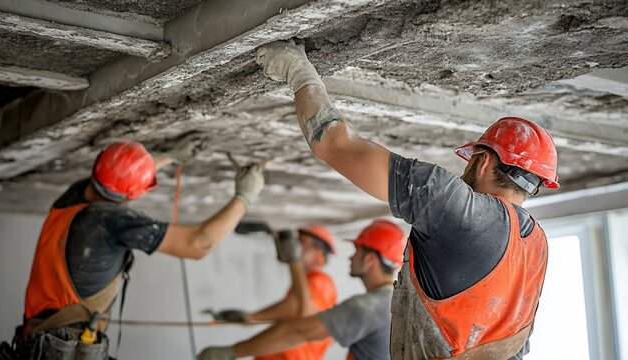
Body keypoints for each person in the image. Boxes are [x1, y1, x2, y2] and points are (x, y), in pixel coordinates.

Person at [252, 40, 559, 359]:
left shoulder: (454, 208)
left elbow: (333, 144)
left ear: (480, 161)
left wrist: (297, 70)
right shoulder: (537, 246)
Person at [0, 136, 266, 360]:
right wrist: (245, 197)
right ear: (136, 194)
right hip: (55, 348)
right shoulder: (113, 221)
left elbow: (115, 180)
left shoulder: (72, 197)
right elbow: (198, 245)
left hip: (37, 341)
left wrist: (168, 157)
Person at [198, 220, 406, 360]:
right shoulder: (394, 304)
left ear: (370, 260)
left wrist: (231, 352)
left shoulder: (366, 305)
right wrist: (250, 317)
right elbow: (293, 308)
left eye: (356, 251)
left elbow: (300, 324)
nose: (350, 257)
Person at [210, 225, 338, 360]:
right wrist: (251, 317)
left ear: (320, 255)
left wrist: (253, 317)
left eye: (301, 243)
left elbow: (300, 308)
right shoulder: (307, 282)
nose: (295, 247)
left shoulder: (322, 281)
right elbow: (293, 307)